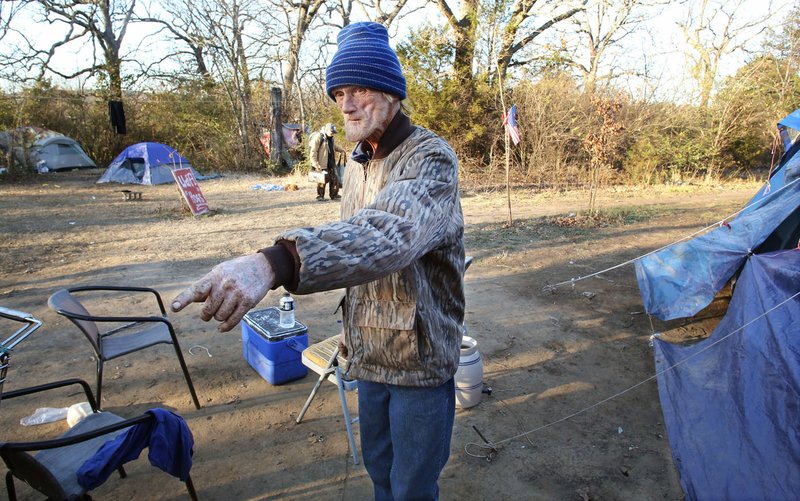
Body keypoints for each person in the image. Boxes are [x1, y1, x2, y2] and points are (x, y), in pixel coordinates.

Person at [171, 21, 464, 501]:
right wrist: (352, 323)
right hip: (369, 352)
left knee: (412, 487)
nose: (346, 104)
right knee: (379, 472)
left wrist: (275, 263)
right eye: (339, 92)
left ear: (391, 92)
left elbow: (387, 235)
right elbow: (357, 257)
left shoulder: (429, 158)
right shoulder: (356, 162)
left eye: (361, 89)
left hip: (420, 360)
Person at [308, 122, 346, 201]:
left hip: (331, 162)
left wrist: (341, 150)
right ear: (326, 130)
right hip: (321, 164)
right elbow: (313, 151)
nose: (333, 134)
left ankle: (334, 195)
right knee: (322, 181)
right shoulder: (318, 137)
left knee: (335, 179)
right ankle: (320, 196)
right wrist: (315, 163)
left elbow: (333, 146)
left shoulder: (331, 138)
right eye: (331, 132)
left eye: (333, 133)